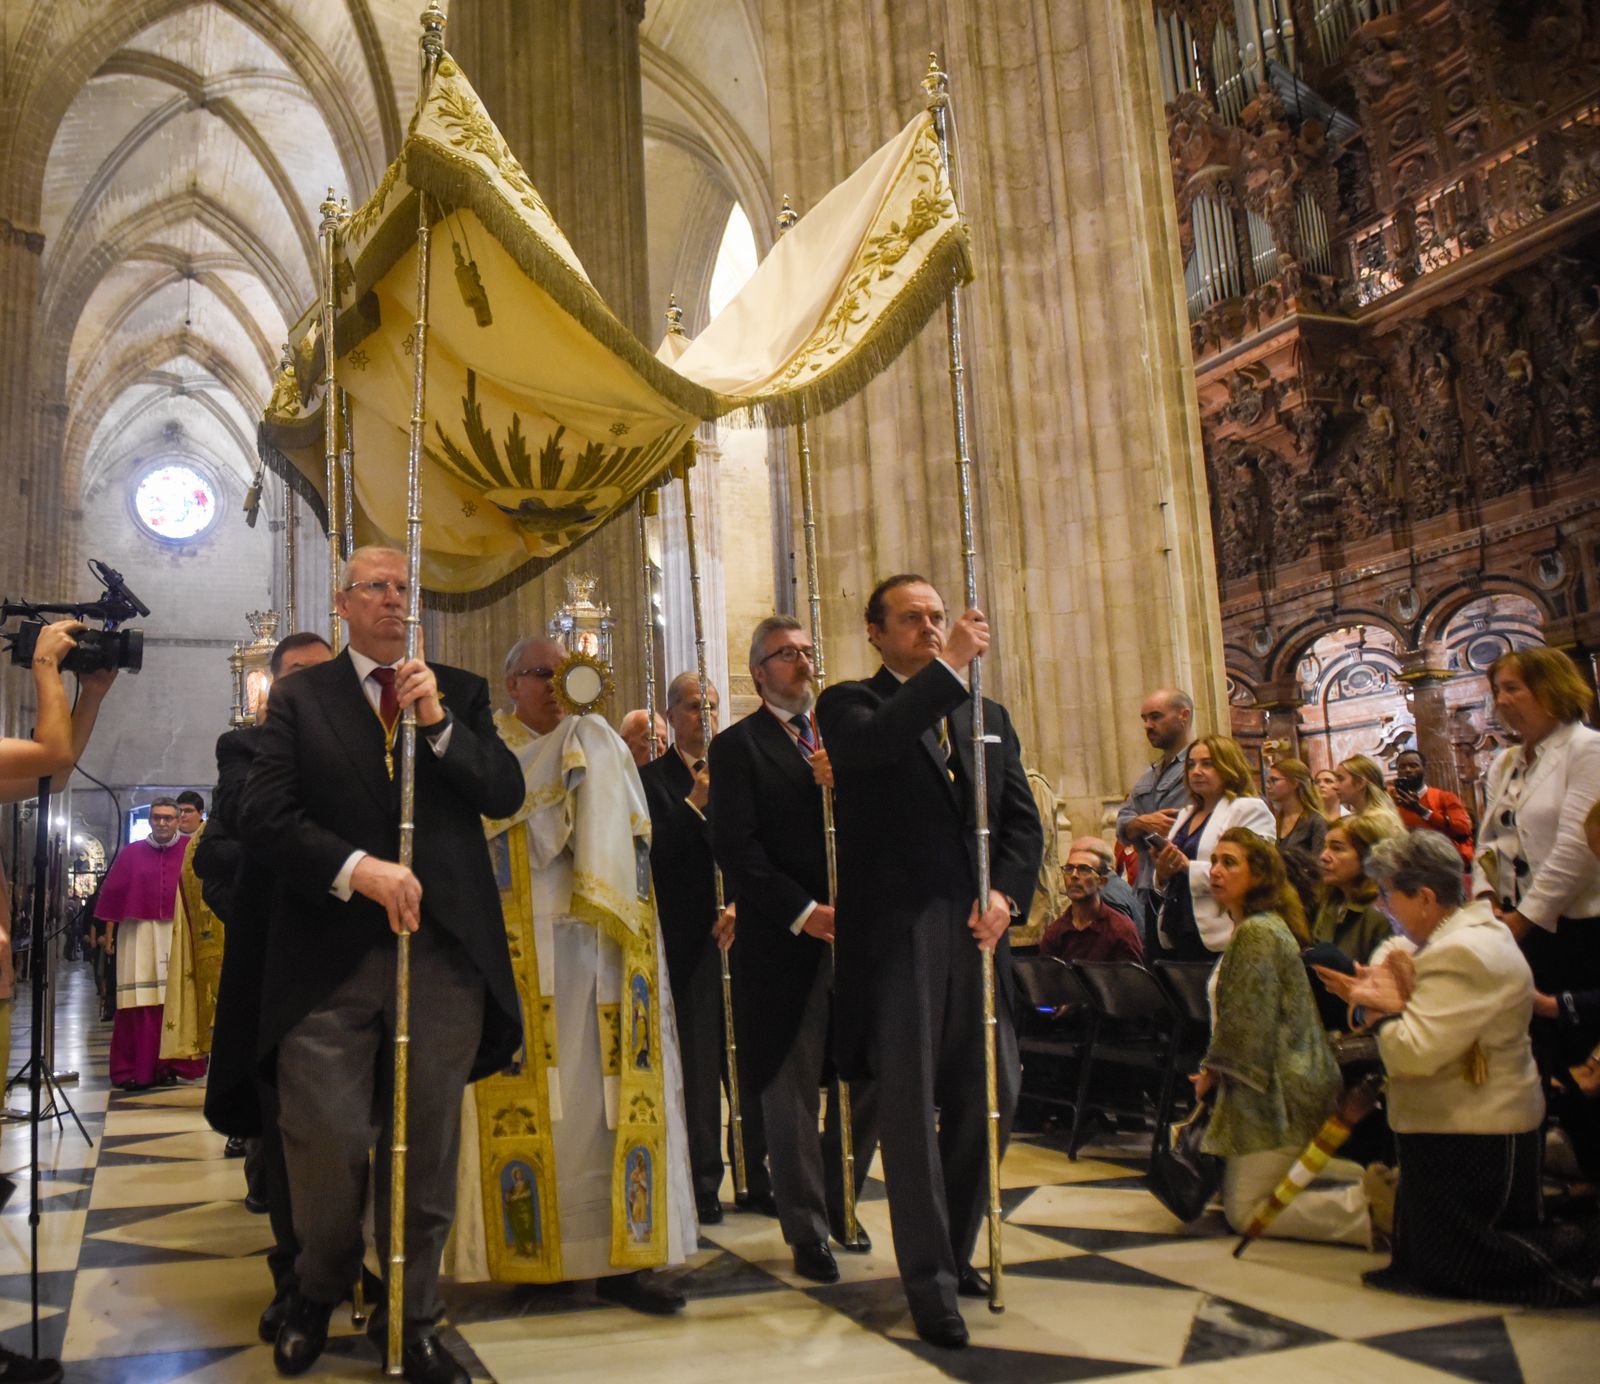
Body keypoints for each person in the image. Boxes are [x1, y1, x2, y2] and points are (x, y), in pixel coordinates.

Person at [241, 545, 525, 1384]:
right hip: (329, 961)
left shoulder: (459, 693)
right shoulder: (300, 697)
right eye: (377, 588)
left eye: (406, 589)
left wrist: (437, 724)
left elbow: (502, 793)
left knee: (425, 1148)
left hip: (440, 956)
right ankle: (317, 1286)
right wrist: (355, 868)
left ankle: (415, 1314)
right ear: (345, 602)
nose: (395, 600)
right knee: (325, 1141)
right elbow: (265, 814)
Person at [817, 574, 1043, 1350]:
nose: (928, 626)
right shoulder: (848, 705)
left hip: (978, 930)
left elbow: (1020, 821)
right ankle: (930, 1284)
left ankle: (955, 1245)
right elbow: (871, 750)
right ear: (875, 632)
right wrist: (946, 668)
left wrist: (1009, 895)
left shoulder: (989, 718)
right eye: (912, 619)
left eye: (938, 618)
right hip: (899, 931)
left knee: (995, 1092)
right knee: (909, 1111)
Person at [445, 634, 695, 1316]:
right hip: (522, 956)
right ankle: (536, 1264)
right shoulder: (485, 754)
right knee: (543, 1113)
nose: (555, 685)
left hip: (607, 958)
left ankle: (627, 1263)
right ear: (510, 685)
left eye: (568, 673)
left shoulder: (604, 747)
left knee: (610, 1108)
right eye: (540, 674)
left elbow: (641, 842)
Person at [1319, 830, 1599, 1305]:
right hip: (1453, 1120)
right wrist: (1378, 995)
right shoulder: (1452, 939)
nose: (1384, 906)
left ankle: (1589, 1254)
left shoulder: (1463, 951)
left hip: (1477, 1127)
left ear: (1425, 897)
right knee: (1433, 1260)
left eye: (1389, 895)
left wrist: (1380, 1012)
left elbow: (1413, 1051)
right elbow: (1400, 980)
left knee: (1481, 1263)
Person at [709, 615, 879, 1284]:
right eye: (785, 655)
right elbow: (736, 849)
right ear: (758, 672)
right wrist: (803, 913)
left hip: (861, 935)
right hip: (785, 943)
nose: (802, 664)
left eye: (809, 651)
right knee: (790, 1088)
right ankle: (807, 1228)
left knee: (870, 1073)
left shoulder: (844, 736)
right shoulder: (738, 746)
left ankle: (841, 1199)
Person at [197, 630, 334, 1344]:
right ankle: (295, 1279)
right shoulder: (242, 750)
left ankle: (360, 1268)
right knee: (285, 1134)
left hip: (351, 957)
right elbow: (233, 838)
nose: (312, 688)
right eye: (297, 678)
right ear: (274, 690)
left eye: (323, 675)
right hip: (281, 961)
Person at [1197, 828, 1372, 1247]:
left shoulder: (1258, 932)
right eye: (1215, 861)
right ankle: (1367, 1182)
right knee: (1232, 1195)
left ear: (1258, 875)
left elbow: (1248, 1021)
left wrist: (1213, 1074)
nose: (1216, 871)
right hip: (1274, 1080)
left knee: (1246, 1212)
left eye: (1229, 862)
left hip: (1280, 1088)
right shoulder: (1258, 928)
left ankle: (1376, 1211)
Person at [640, 672, 772, 1222]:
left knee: (751, 1065)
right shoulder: (649, 778)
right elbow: (653, 857)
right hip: (687, 941)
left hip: (743, 936)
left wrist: (742, 903)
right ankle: (701, 1180)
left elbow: (761, 849)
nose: (706, 717)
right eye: (695, 707)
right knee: (699, 1065)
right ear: (671, 715)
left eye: (713, 706)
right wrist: (694, 802)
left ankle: (755, 1174)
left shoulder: (743, 773)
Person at [1473, 645, 1600, 1180]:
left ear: (1552, 690)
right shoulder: (1507, 760)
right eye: (1496, 690)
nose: (1501, 701)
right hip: (1514, 928)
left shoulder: (1585, 749)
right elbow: (1489, 839)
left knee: (1576, 1054)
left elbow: (1577, 844)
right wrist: (1484, 902)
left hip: (1576, 929)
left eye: (1513, 689)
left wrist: (1524, 918)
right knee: (1531, 1056)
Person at [94, 798, 210, 1091]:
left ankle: (172, 1063)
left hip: (178, 932)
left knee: (175, 999)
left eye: (169, 818)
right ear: (149, 819)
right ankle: (136, 1068)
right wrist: (107, 934)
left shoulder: (189, 852)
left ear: (178, 820)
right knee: (140, 1000)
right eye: (157, 818)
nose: (162, 823)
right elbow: (114, 897)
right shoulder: (130, 854)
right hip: (138, 935)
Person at [1151, 735, 1275, 959]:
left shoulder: (1247, 809)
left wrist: (1188, 867)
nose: (1196, 771)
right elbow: (1168, 878)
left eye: (1207, 764)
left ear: (1229, 766)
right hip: (1177, 925)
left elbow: (1255, 873)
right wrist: (1162, 872)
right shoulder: (1186, 814)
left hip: (1223, 930)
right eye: (1191, 765)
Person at [1116, 688, 1194, 951]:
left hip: (1186, 892)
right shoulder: (1148, 777)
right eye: (1144, 719)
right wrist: (1142, 823)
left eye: (1156, 717)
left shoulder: (1198, 768)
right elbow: (1122, 822)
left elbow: (1173, 829)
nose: (1147, 726)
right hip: (1149, 890)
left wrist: (1139, 825)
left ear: (1184, 716)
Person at [1040, 838, 1145, 964]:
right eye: (1069, 868)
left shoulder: (1121, 930)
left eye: (1084, 869)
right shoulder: (1055, 932)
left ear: (1101, 882)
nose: (1074, 875)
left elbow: (1134, 980)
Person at [1390, 749, 1473, 866]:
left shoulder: (1444, 797)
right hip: (1407, 865)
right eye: (1402, 767)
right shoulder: (1391, 802)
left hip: (1441, 863)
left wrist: (1422, 811)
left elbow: (1463, 830)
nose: (1407, 770)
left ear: (1424, 769)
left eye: (1413, 766)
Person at [1265, 757, 1327, 910]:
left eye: (1274, 780)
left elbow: (1320, 867)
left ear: (1294, 783)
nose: (1268, 786)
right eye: (1268, 781)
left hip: (1307, 900)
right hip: (1278, 897)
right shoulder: (1272, 820)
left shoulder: (1315, 821)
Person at [1333, 754, 1406, 838]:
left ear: (1360, 783)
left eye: (1340, 779)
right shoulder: (1358, 817)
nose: (1335, 786)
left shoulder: (1378, 821)